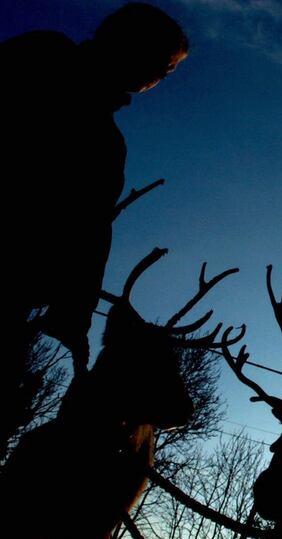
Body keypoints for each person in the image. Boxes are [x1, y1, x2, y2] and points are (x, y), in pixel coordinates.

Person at [1, 3, 188, 376]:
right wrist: (74, 310)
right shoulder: (44, 58)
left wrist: (74, 311)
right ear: (134, 45)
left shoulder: (107, 141)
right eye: (165, 66)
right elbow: (91, 227)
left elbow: (91, 227)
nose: (162, 78)